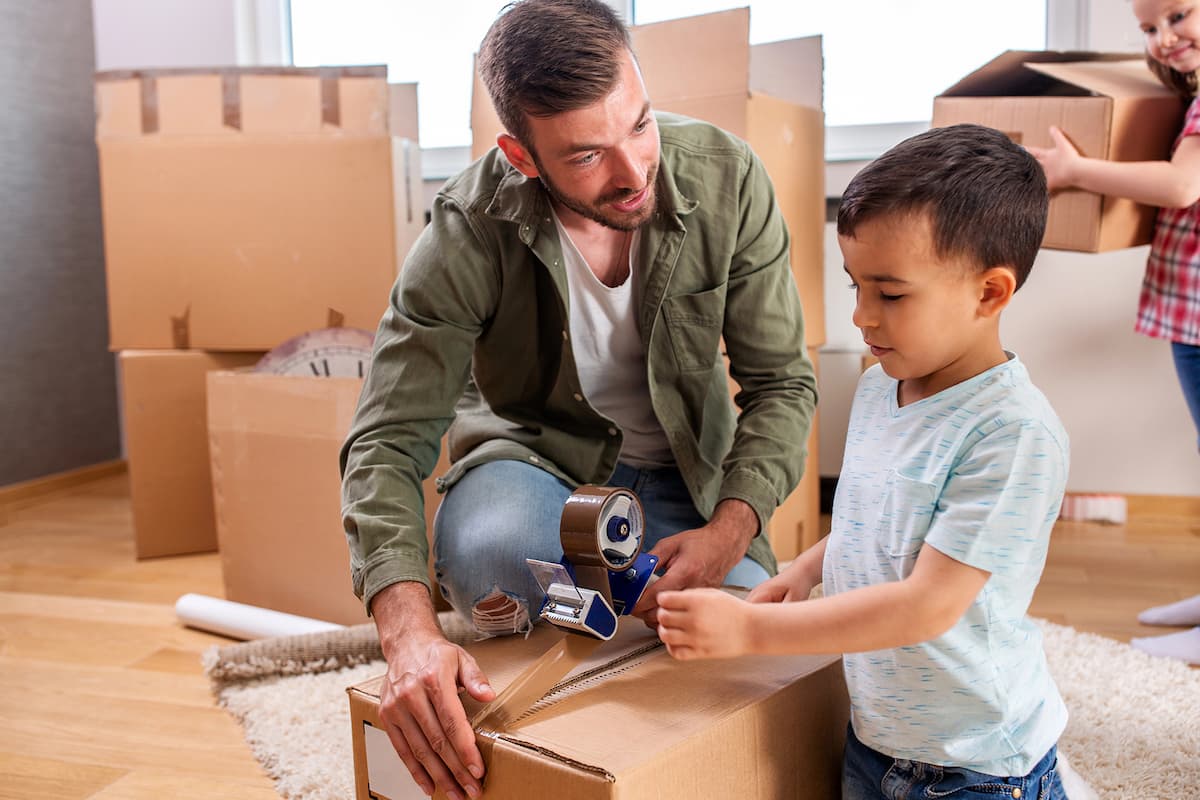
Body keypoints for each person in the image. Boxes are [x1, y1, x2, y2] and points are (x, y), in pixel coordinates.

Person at [339, 1, 817, 796]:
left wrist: (731, 532)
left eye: (639, 123)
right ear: (520, 156)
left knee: (746, 646)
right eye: (588, 154)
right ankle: (608, 636)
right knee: (494, 553)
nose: (633, 172)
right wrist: (408, 636)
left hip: (686, 487)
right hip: (535, 467)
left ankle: (613, 623)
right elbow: (386, 438)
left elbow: (782, 384)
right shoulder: (468, 227)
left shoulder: (728, 175)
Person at [657, 124, 1070, 799]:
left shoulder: (1013, 434)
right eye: (856, 287)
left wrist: (754, 629)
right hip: (878, 737)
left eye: (891, 294)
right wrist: (806, 568)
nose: (861, 317)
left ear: (991, 293)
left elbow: (927, 605)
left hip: (975, 767)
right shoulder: (883, 384)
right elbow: (876, 516)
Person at [1027, 0, 1200, 668]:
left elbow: (1181, 185)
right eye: (1150, 28)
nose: (1165, 38)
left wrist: (1072, 172)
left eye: (1179, 15)